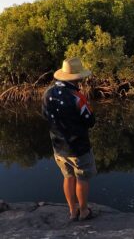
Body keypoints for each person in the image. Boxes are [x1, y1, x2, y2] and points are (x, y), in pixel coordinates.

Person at [42, 57, 96, 221]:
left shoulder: (47, 93)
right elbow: (90, 121)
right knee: (82, 178)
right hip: (78, 148)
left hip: (58, 148)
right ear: (77, 77)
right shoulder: (77, 97)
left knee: (67, 177)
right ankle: (84, 211)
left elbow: (46, 116)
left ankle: (72, 211)